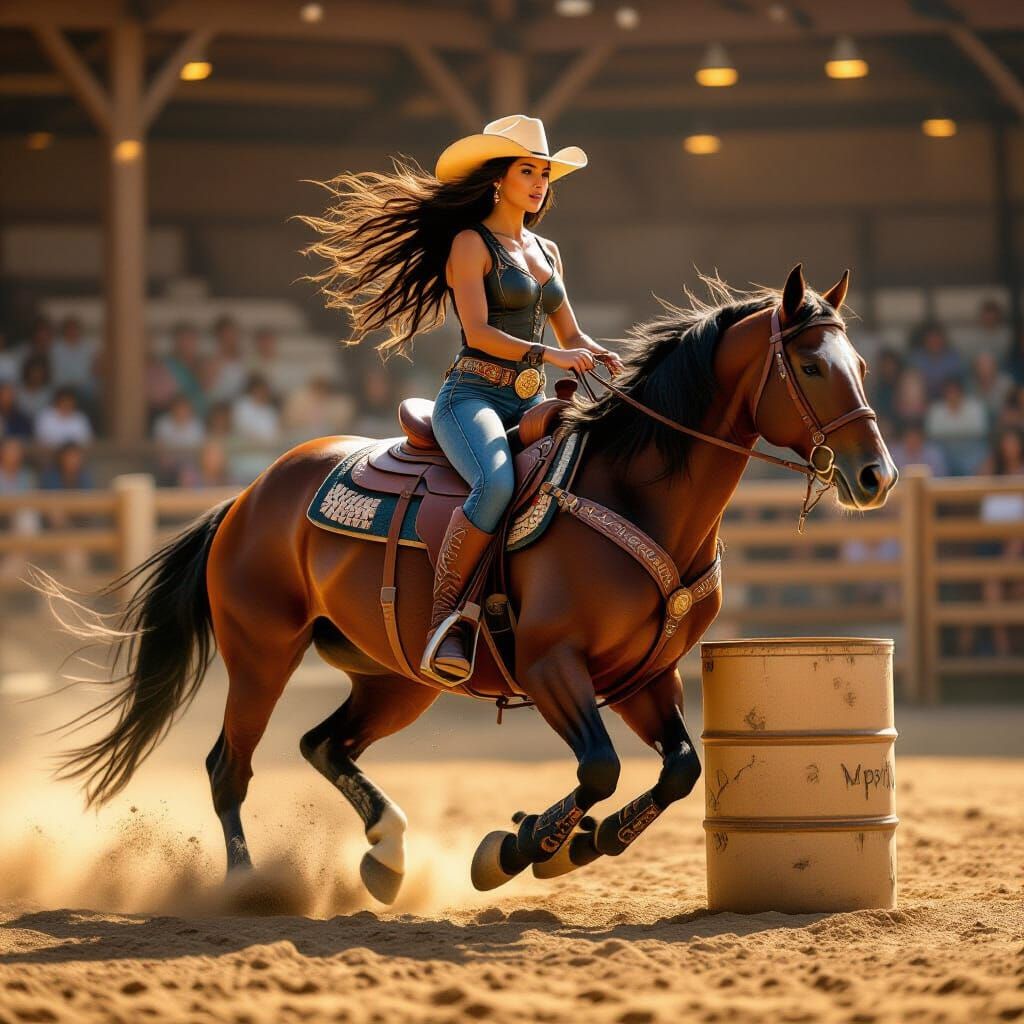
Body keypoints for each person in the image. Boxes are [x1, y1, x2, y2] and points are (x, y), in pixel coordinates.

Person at [297, 113, 624, 683]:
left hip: (530, 401)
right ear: (498, 178)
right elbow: (478, 334)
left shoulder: (547, 249)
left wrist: (601, 356)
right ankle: (446, 619)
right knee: (495, 482)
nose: (540, 182)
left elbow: (571, 334)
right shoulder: (470, 243)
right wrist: (551, 358)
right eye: (528, 170)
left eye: (546, 173)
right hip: (471, 398)